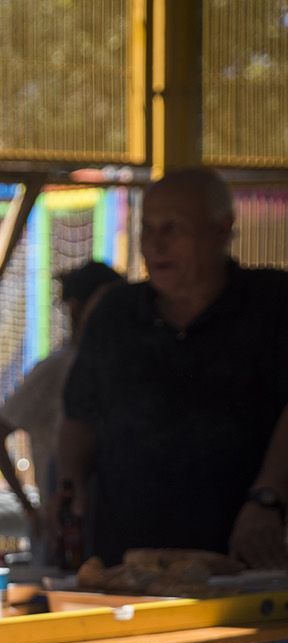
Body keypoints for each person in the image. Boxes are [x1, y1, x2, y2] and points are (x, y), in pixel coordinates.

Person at [57, 167, 288, 569]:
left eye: (173, 228)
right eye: (147, 229)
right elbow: (80, 417)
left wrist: (269, 496)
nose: (155, 244)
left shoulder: (273, 304)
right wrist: (68, 484)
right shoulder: (114, 314)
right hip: (127, 561)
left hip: (244, 559)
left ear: (222, 229)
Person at [0, 260, 123, 542]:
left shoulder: (122, 364)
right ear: (79, 310)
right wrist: (31, 509)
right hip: (69, 529)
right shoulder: (59, 368)